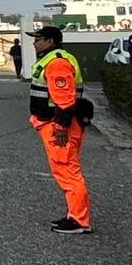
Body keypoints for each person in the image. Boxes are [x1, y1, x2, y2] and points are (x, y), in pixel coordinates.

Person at [29, 25, 95, 234]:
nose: (34, 42)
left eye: (38, 39)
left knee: (67, 169)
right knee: (65, 168)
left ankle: (79, 220)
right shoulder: (55, 59)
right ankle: (75, 215)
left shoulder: (57, 62)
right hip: (55, 122)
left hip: (59, 125)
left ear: (50, 41)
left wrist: (59, 126)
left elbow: (65, 100)